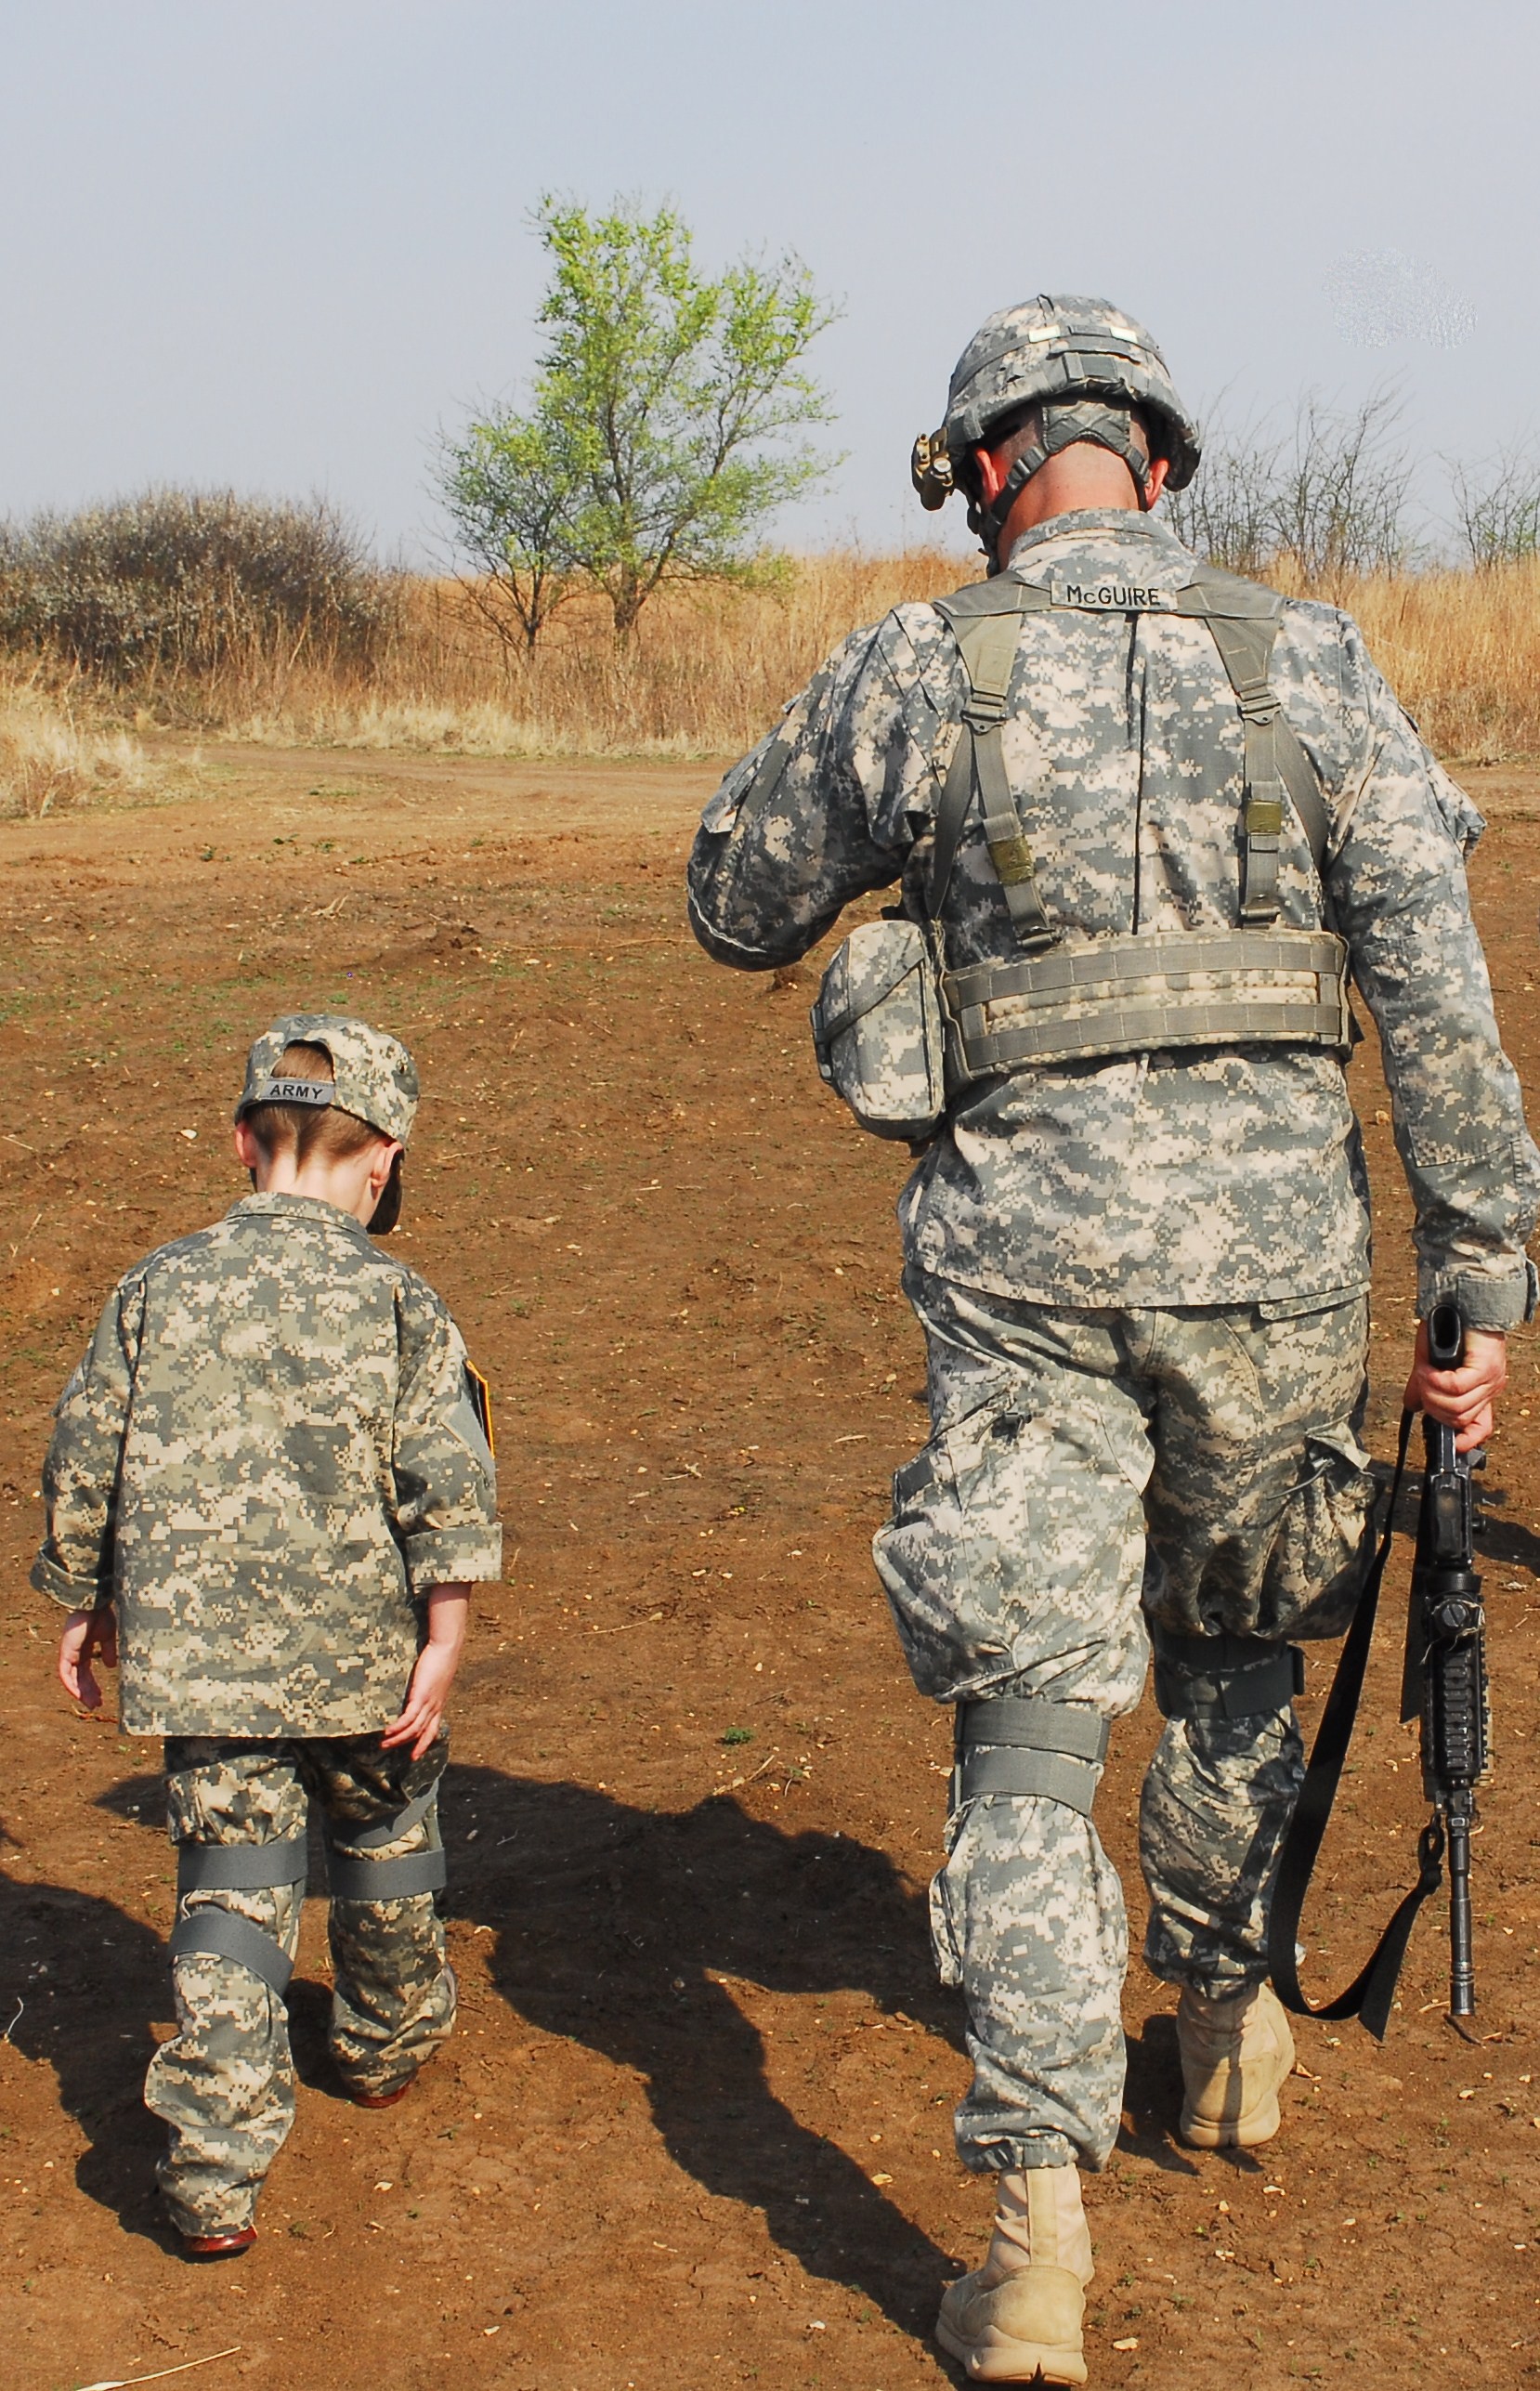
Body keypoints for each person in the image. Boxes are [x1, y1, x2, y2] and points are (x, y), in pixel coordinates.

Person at [686, 295, 1539, 2384]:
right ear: (1155, 461)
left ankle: (1033, 2229)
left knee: (1031, 1721)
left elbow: (729, 894)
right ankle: (1228, 2026)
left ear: (986, 471)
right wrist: (1481, 1279)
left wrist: (909, 907)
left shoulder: (917, 662)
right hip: (1273, 1272)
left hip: (1026, 1285)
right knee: (1244, 1642)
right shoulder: (1311, 656)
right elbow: (1434, 991)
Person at [39, 1014, 502, 2258]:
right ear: (385, 1158)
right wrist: (442, 1640)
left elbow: (85, 1454)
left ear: (246, 1140)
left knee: (232, 1893)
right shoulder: (400, 1299)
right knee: (388, 1837)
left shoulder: (155, 1287)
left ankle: (211, 2167)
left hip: (206, 1670)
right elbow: (448, 1484)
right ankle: (382, 2041)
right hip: (367, 1664)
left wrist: (80, 1599)